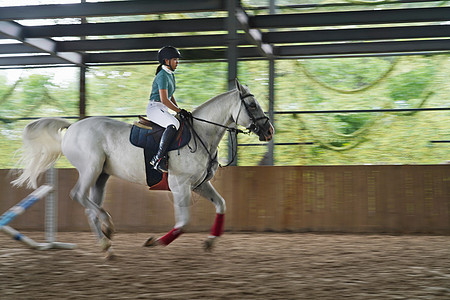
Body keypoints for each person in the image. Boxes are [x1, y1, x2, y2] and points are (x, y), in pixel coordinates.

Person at [147, 46, 189, 173]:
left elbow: (171, 96)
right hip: (155, 108)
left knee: (180, 122)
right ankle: (157, 159)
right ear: (166, 61)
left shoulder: (170, 75)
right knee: (173, 124)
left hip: (163, 108)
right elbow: (164, 99)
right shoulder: (162, 76)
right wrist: (178, 111)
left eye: (177, 60)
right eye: (175, 59)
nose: (177, 62)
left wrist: (179, 109)